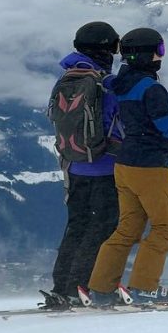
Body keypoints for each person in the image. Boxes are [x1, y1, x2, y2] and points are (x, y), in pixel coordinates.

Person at [82, 27, 168, 306]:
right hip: (149, 169)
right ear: (149, 55)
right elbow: (167, 125)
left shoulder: (119, 84)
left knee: (127, 229)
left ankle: (100, 289)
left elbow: (142, 124)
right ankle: (144, 288)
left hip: (123, 166)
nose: (162, 56)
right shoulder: (152, 88)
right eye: (160, 50)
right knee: (164, 228)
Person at [40, 21, 122, 309]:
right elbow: (115, 122)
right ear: (105, 48)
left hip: (73, 167)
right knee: (102, 228)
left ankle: (61, 287)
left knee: (76, 226)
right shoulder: (103, 83)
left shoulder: (66, 78)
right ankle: (83, 286)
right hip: (105, 166)